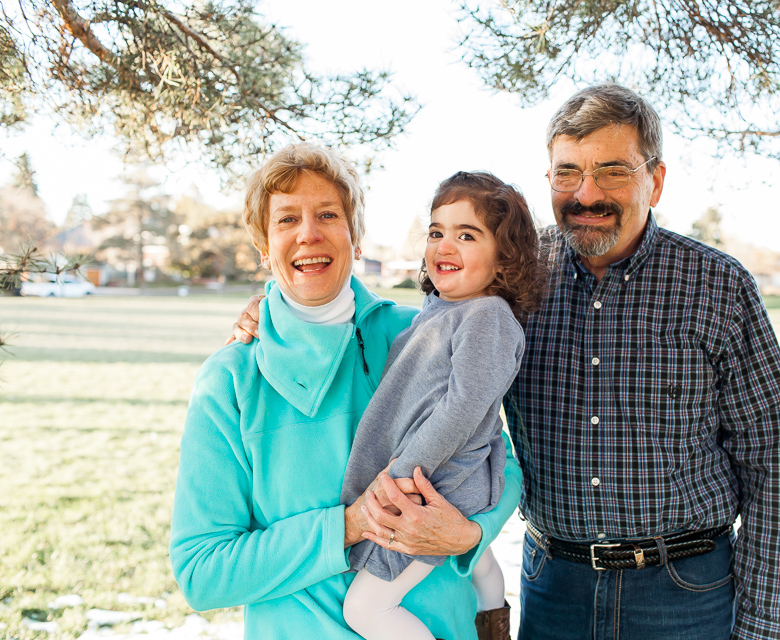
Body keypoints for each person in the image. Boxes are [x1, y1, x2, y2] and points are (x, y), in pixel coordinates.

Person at [230, 84, 780, 640]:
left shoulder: (717, 286)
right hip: (555, 587)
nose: (586, 193)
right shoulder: (517, 274)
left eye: (613, 171)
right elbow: (429, 332)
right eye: (568, 172)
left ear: (654, 181)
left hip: (685, 592)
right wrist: (275, 308)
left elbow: (772, 465)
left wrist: (758, 629)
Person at [169, 143, 521, 640]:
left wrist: (469, 534)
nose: (309, 233)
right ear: (263, 246)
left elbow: (499, 460)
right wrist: (350, 526)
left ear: (355, 236)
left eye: (328, 214)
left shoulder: (419, 333)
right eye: (286, 220)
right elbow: (203, 573)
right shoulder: (230, 380)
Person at [340, 171, 544, 640]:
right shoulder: (438, 309)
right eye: (436, 232)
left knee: (366, 609)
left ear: (504, 257)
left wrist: (399, 477)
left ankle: (492, 618)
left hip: (432, 487)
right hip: (436, 479)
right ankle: (492, 621)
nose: (444, 245)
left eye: (466, 235)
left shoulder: (488, 315)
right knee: (482, 568)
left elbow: (462, 407)